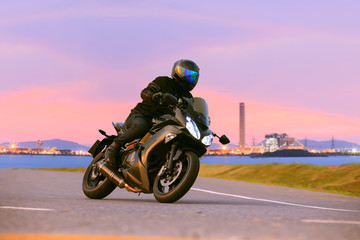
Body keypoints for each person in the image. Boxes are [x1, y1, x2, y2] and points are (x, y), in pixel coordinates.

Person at [105, 59, 200, 167]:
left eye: (193, 76)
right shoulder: (163, 81)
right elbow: (145, 92)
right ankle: (114, 147)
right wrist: (152, 95)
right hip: (143, 115)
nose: (188, 77)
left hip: (164, 123)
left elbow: (190, 112)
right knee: (142, 126)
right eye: (186, 73)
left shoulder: (188, 97)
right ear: (176, 71)